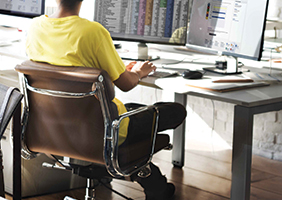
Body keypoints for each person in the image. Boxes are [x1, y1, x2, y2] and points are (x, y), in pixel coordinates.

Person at [25, 0, 186, 199]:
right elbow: (126, 84)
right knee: (175, 111)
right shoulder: (93, 32)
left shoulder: (34, 27)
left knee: (134, 109)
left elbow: (65, 68)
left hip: (55, 128)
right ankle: (153, 184)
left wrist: (114, 68)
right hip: (105, 129)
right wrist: (137, 72)